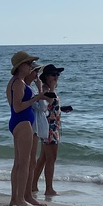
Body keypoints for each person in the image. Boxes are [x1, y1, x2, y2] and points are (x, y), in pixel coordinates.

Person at [6, 51, 49, 206]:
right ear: (20, 66)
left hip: (19, 122)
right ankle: (19, 199)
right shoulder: (18, 82)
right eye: (29, 64)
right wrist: (36, 98)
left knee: (19, 162)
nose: (31, 66)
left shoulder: (16, 82)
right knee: (23, 163)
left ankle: (15, 198)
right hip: (22, 122)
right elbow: (17, 107)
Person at [33, 65, 68, 197]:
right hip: (49, 128)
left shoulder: (47, 89)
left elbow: (51, 106)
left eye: (57, 75)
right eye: (53, 75)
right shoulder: (46, 90)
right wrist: (52, 88)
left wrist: (62, 108)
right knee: (51, 159)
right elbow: (45, 104)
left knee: (43, 158)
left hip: (52, 126)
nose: (56, 77)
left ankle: (33, 184)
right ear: (46, 77)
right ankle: (49, 189)